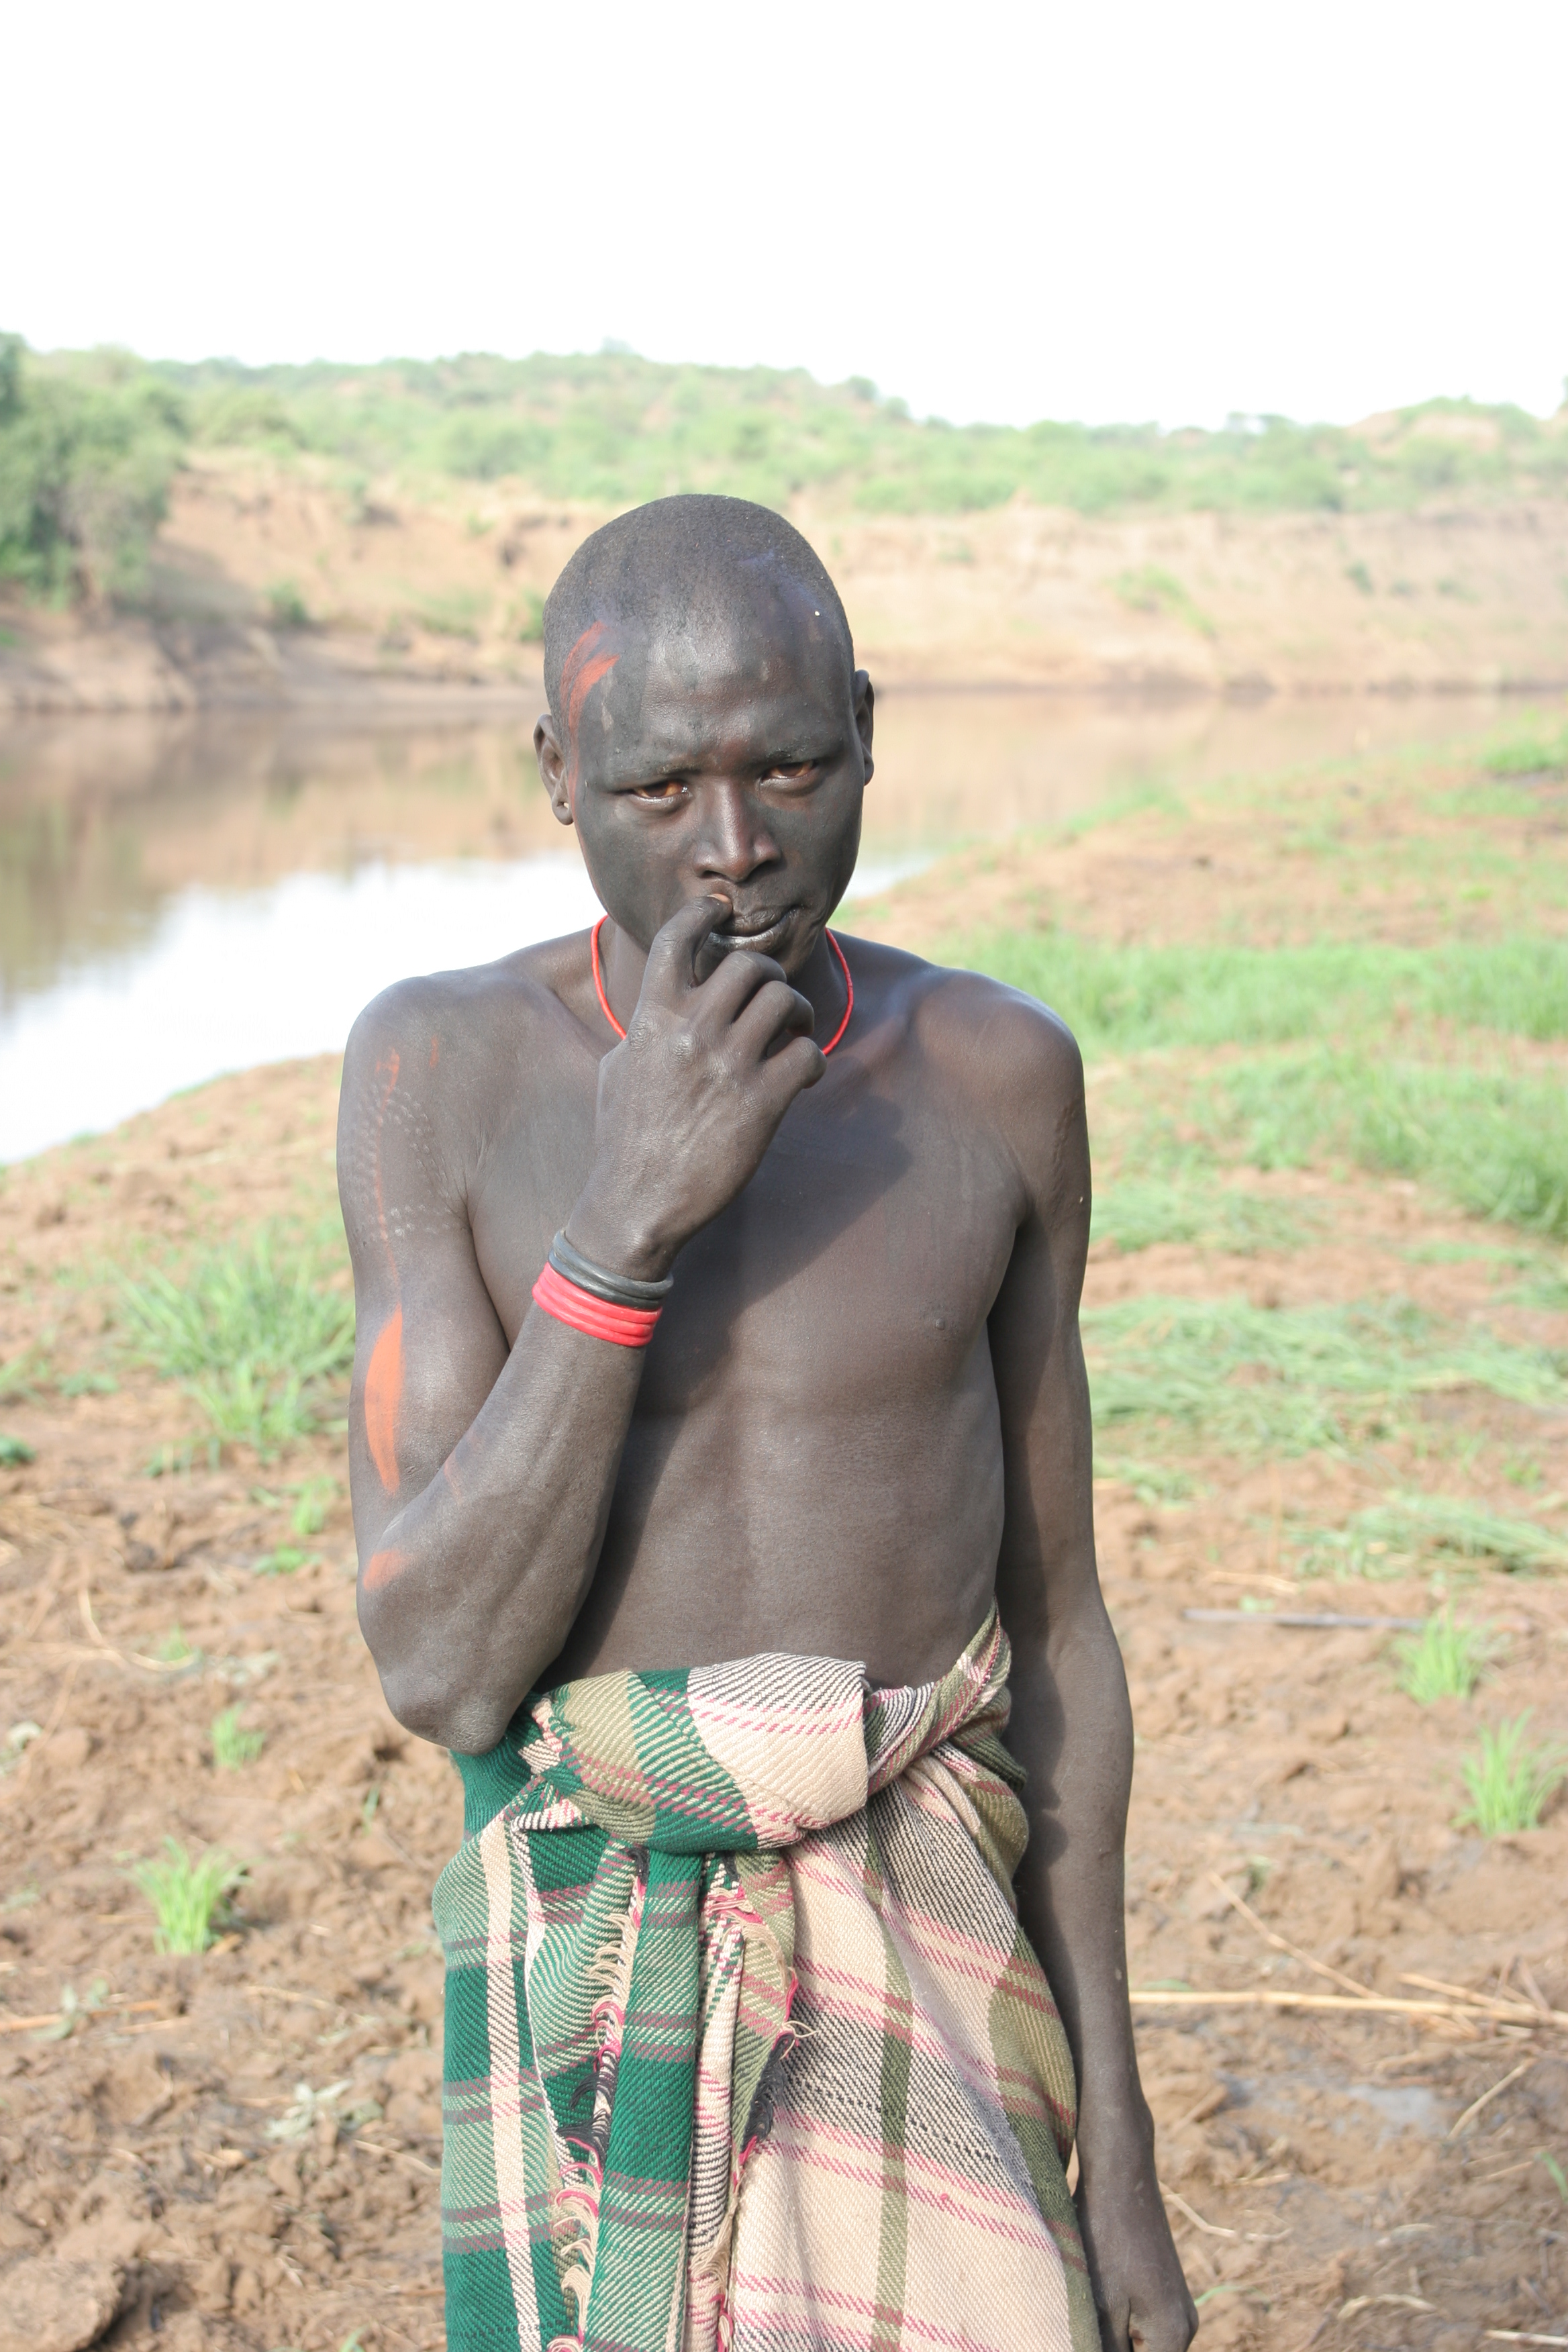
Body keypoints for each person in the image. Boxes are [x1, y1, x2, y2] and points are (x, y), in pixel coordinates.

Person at [338, 495, 1195, 2352]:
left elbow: (1058, 1637)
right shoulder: (441, 1072)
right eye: (658, 794)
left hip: (934, 1955)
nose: (736, 853)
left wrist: (1117, 2143)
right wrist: (624, 1228)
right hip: (592, 1969)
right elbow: (438, 1666)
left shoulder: (992, 1081)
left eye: (795, 766)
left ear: (872, 733)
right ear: (557, 773)